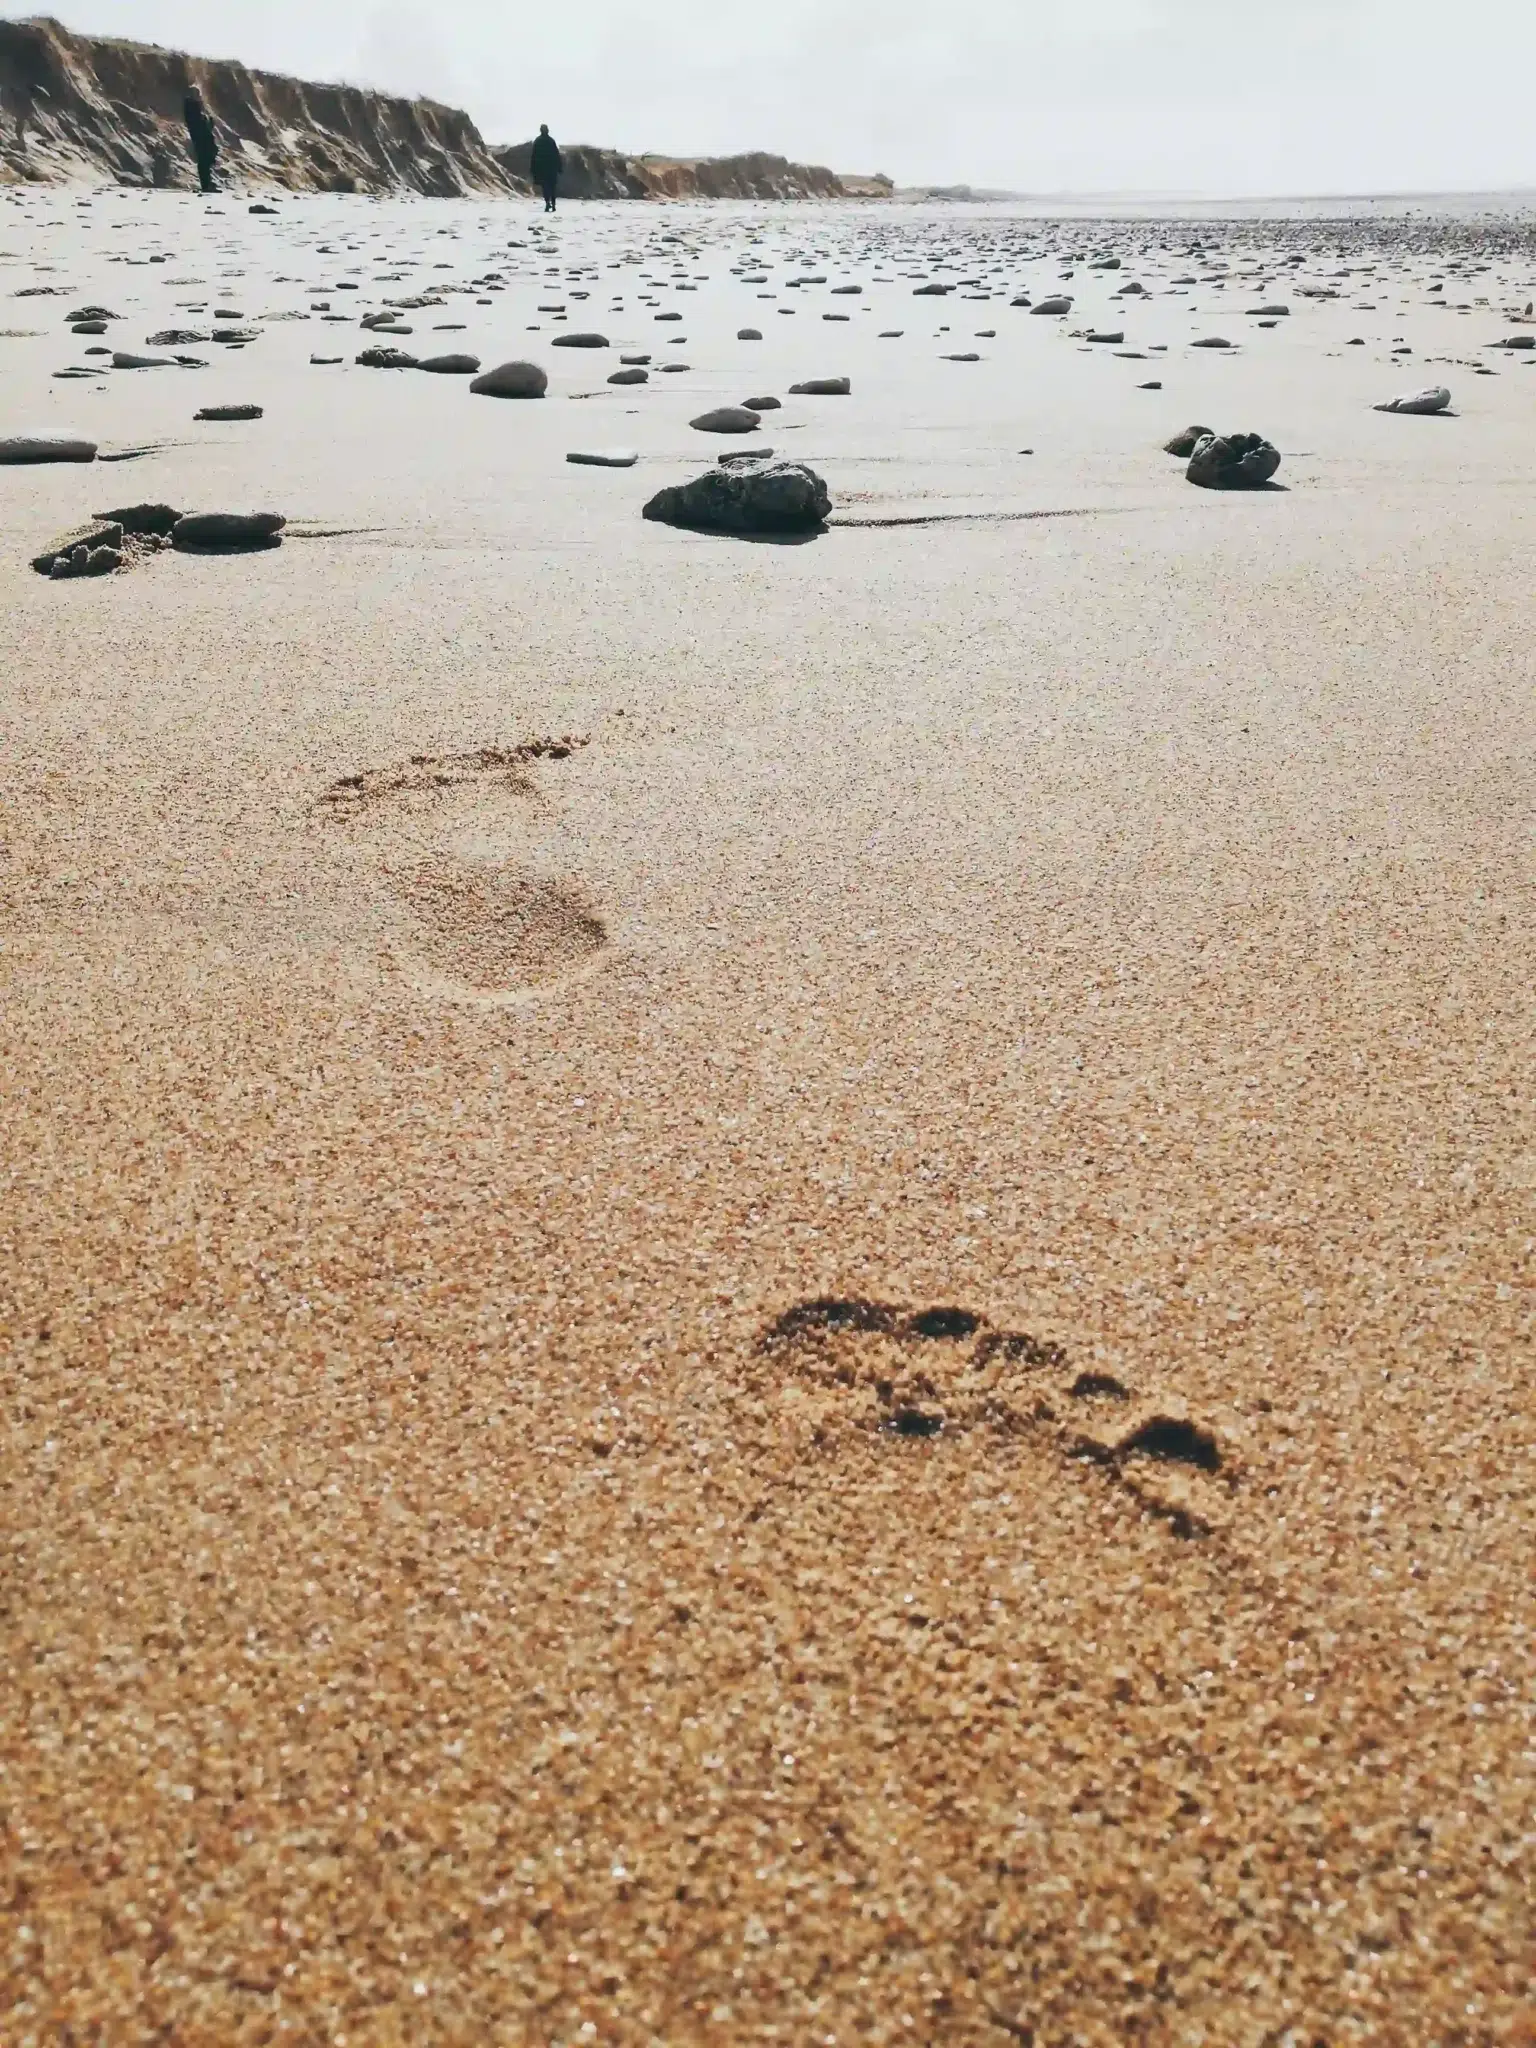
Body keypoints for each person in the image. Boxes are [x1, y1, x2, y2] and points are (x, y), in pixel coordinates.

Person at [184, 87, 218, 194]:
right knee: (204, 161)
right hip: (201, 138)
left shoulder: (192, 107)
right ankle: (206, 185)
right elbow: (199, 124)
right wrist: (208, 122)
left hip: (201, 138)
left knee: (205, 161)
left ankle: (207, 184)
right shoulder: (192, 107)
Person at [530, 124, 562, 212]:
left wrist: (533, 169)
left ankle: (548, 203)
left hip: (542, 169)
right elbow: (556, 155)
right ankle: (553, 204)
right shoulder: (551, 140)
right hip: (551, 168)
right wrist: (559, 167)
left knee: (545, 187)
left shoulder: (538, 141)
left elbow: (534, 156)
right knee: (552, 187)